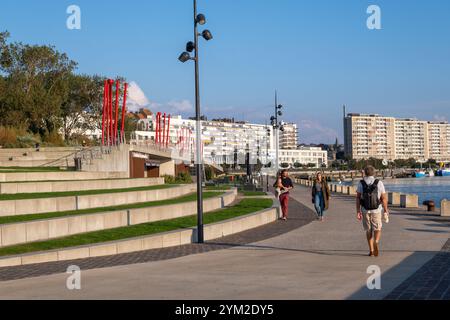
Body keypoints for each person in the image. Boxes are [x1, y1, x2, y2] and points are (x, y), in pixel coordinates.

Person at [356, 166, 390, 257]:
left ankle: (371, 250)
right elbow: (384, 198)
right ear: (374, 173)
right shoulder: (379, 183)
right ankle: (376, 241)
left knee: (368, 230)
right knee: (378, 228)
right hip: (376, 210)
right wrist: (386, 210)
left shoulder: (361, 183)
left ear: (365, 173)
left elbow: (358, 198)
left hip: (365, 210)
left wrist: (358, 211)